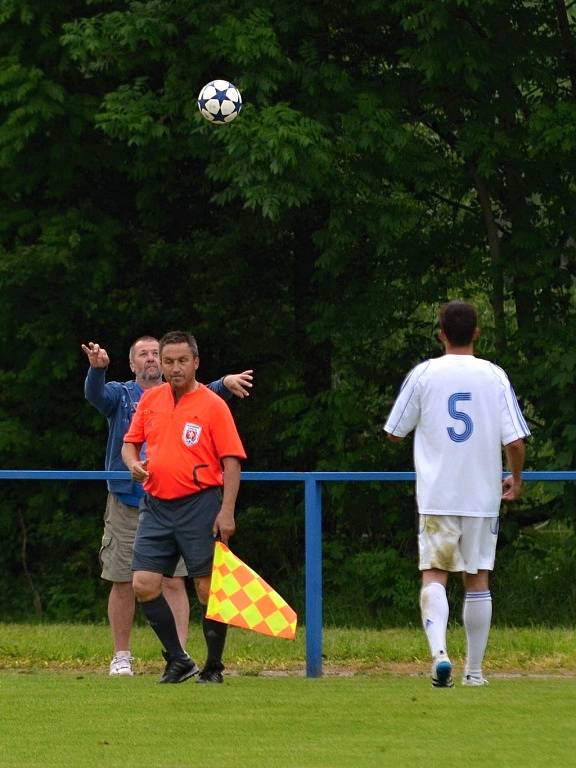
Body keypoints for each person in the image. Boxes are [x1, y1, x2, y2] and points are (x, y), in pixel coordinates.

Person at [82, 336, 252, 676]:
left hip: (199, 504)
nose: (173, 367)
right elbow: (130, 443)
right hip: (154, 505)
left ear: (195, 363)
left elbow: (231, 460)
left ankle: (213, 665)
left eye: (180, 361)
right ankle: (178, 659)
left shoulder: (212, 403)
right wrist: (131, 463)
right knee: (141, 583)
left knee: (204, 587)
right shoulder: (144, 399)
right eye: (167, 360)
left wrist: (227, 510)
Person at [384, 300, 529, 688]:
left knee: (434, 573)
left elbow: (395, 431)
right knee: (478, 578)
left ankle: (439, 654)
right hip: (482, 496)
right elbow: (515, 440)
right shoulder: (493, 375)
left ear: (441, 334)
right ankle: (475, 672)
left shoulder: (424, 374)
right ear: (477, 334)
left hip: (438, 494)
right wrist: (514, 478)